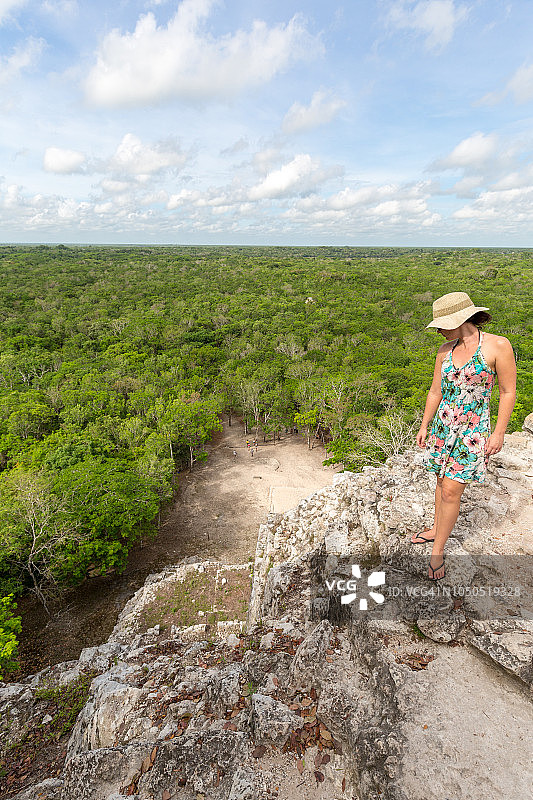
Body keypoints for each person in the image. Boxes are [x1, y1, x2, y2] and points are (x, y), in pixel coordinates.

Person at [414, 291, 516, 581]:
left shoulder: (497, 346)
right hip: (444, 426)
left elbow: (507, 391)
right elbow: (435, 391)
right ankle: (437, 527)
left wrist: (499, 433)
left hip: (473, 430)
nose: (438, 330)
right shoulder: (445, 349)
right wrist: (425, 425)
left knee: (450, 490)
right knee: (439, 480)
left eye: (442, 324)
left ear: (460, 319)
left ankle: (439, 550)